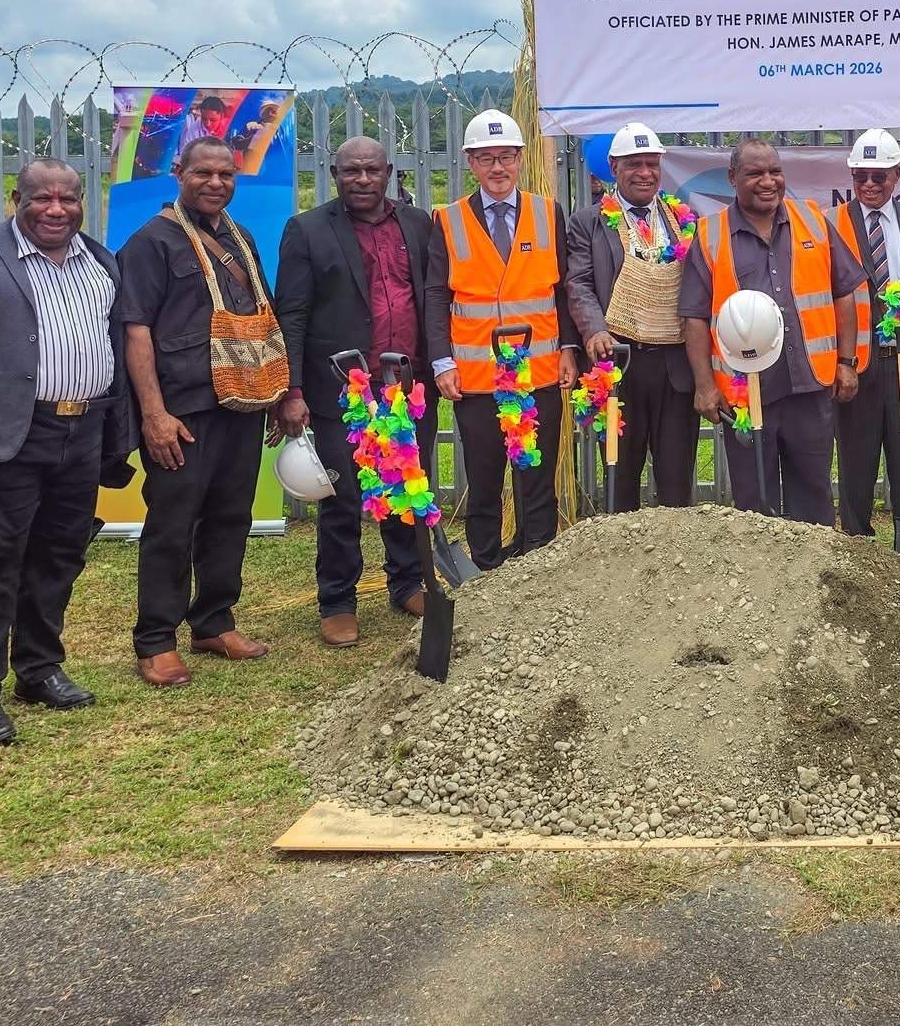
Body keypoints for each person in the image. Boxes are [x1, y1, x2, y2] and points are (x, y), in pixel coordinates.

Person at [0, 160, 135, 744]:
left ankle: (38, 668)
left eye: (68, 198)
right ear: (17, 199)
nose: (56, 209)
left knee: (60, 555)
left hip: (82, 431)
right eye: (42, 198)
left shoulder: (101, 260)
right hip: (4, 436)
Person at [119, 136, 283, 688]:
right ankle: (156, 639)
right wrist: (153, 414)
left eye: (225, 175)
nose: (215, 183)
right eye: (203, 173)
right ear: (178, 173)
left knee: (230, 516)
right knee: (173, 523)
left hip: (241, 402)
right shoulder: (151, 243)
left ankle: (214, 621)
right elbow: (136, 331)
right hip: (182, 410)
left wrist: (275, 391)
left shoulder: (241, 239)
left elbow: (261, 316)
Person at [275, 137, 441, 647]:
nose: (363, 179)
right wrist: (293, 390)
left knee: (406, 487)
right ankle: (338, 601)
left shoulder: (418, 224)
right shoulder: (307, 230)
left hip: (405, 387)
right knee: (342, 498)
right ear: (335, 174)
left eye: (372, 170)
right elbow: (292, 315)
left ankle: (407, 583)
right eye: (351, 171)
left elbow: (431, 297)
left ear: (389, 172)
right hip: (342, 391)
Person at [425, 109, 578, 571]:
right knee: (485, 477)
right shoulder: (448, 220)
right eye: (487, 158)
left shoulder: (547, 213)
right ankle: (487, 567)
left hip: (538, 374)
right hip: (477, 378)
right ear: (471, 162)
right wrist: (441, 362)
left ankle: (537, 562)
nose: (498, 168)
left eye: (507, 157)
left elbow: (563, 289)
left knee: (536, 476)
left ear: (520, 159)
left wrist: (569, 348)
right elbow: (436, 295)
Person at [680, 138, 862, 524]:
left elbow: (844, 294)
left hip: (810, 386)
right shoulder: (710, 235)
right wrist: (705, 386)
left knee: (814, 497)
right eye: (755, 173)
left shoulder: (812, 220)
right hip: (746, 393)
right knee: (754, 506)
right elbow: (694, 316)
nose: (768, 181)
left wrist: (846, 362)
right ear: (733, 178)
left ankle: (812, 565)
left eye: (775, 172)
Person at [566, 122, 698, 509]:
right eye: (634, 164)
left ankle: (676, 548)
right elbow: (579, 283)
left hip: (675, 366)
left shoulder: (682, 220)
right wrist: (594, 330)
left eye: (651, 164)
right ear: (613, 167)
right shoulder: (588, 222)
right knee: (620, 477)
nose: (645, 173)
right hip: (620, 362)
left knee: (676, 479)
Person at [829, 128, 900, 549]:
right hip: (857, 365)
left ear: (898, 175)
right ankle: (858, 547)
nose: (870, 185)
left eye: (879, 176)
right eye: (861, 176)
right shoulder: (831, 224)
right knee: (856, 464)